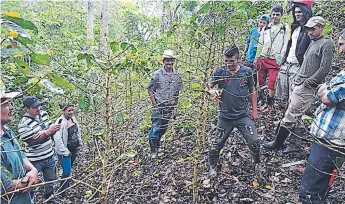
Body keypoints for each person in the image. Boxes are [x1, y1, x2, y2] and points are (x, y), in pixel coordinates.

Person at [263, 16, 336, 154]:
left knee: (291, 114)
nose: (310, 32)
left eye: (313, 29)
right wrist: (298, 78)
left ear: (321, 27)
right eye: (308, 29)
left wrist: (310, 82)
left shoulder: (327, 43)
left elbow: (324, 68)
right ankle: (294, 144)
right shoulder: (314, 41)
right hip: (298, 81)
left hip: (306, 85)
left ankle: (277, 143)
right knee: (296, 114)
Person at [299, 28, 345, 204]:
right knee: (321, 186)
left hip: (332, 141)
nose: (340, 50)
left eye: (341, 44)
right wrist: (327, 93)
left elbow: (327, 96)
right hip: (329, 138)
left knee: (310, 193)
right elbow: (325, 90)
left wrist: (327, 94)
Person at [208, 45, 259, 178]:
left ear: (238, 59)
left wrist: (254, 111)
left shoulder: (246, 71)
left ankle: (257, 164)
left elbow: (252, 90)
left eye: (232, 61)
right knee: (216, 144)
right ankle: (213, 166)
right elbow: (209, 86)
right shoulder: (219, 71)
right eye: (226, 61)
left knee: (254, 141)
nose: (229, 64)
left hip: (243, 115)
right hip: (225, 117)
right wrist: (212, 91)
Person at [17, 96, 60, 203]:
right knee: (31, 183)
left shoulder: (43, 115)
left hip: (49, 155)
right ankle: (29, 200)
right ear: (27, 108)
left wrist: (46, 133)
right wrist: (47, 132)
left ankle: (49, 198)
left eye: (39, 106)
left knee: (51, 180)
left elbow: (53, 129)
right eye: (35, 107)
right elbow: (32, 142)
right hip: (34, 159)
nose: (38, 109)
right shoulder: (24, 123)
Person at [1, 83, 38, 204]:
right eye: (6, 104)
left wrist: (33, 170)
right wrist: (29, 180)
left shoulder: (8, 132)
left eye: (10, 103)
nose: (11, 108)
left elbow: (20, 155)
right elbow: (6, 187)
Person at [275, 1, 312, 107]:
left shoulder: (310, 29)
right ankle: (284, 118)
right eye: (295, 12)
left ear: (306, 11)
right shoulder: (295, 27)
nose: (297, 14)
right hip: (287, 64)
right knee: (283, 95)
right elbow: (290, 45)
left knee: (295, 96)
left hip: (298, 66)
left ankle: (293, 121)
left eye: (300, 12)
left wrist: (304, 68)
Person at [147, 50, 183, 158]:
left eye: (171, 60)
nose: (169, 63)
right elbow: (150, 90)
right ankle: (154, 151)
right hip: (159, 105)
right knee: (156, 127)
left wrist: (175, 106)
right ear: (163, 61)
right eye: (167, 60)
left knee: (163, 128)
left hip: (170, 106)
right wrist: (155, 105)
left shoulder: (177, 75)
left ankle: (157, 146)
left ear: (174, 61)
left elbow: (177, 92)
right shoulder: (157, 74)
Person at [255, 4, 290, 111]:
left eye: (277, 15)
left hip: (275, 59)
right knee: (260, 80)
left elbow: (285, 44)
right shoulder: (266, 27)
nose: (275, 17)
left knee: (272, 81)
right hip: (263, 57)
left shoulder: (285, 27)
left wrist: (281, 58)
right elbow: (260, 42)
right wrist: (257, 56)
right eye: (273, 14)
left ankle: (270, 101)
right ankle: (260, 98)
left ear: (281, 15)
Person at [53, 103, 82, 191]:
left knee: (69, 170)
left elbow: (77, 131)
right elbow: (57, 139)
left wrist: (79, 143)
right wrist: (65, 152)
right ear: (64, 111)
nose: (71, 112)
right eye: (69, 110)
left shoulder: (73, 119)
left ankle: (66, 187)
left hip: (74, 149)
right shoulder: (60, 122)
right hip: (65, 151)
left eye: (72, 110)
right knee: (66, 171)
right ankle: (61, 190)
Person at [243, 14, 270, 86]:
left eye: (264, 23)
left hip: (258, 60)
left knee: (254, 78)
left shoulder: (266, 34)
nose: (262, 24)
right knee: (245, 76)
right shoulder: (254, 31)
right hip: (249, 57)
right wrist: (244, 53)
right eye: (261, 22)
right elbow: (248, 42)